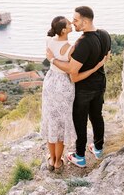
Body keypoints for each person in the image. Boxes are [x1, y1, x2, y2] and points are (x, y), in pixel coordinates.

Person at [41, 15, 106, 172]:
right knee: (62, 123)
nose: (72, 25)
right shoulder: (71, 48)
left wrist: (52, 60)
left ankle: (52, 160)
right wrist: (97, 67)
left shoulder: (49, 41)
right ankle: (58, 162)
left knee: (52, 121)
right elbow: (71, 70)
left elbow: (52, 57)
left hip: (50, 83)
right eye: (70, 24)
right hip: (64, 85)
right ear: (64, 30)